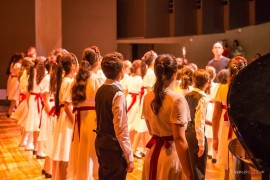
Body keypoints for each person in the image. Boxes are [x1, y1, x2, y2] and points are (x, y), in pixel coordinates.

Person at [142, 54, 192, 180]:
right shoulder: (177, 100)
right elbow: (179, 139)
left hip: (151, 154)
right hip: (171, 157)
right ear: (175, 73)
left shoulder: (147, 97)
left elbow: (150, 130)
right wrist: (189, 173)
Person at [95, 52, 134, 180]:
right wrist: (129, 156)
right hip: (113, 148)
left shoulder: (100, 89)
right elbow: (121, 128)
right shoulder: (118, 94)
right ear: (120, 71)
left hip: (101, 142)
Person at [67, 46, 102, 179]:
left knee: (81, 151)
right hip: (93, 120)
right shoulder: (96, 80)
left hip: (80, 119)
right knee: (92, 153)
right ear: (97, 61)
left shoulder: (77, 79)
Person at [212, 56, 247, 180]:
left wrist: (215, 137)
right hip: (242, 127)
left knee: (227, 163)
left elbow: (215, 116)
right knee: (242, 163)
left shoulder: (221, 88)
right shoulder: (246, 89)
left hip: (225, 128)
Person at [52, 53, 78, 180]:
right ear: (73, 66)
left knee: (64, 153)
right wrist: (75, 123)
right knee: (65, 154)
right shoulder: (69, 82)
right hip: (68, 119)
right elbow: (68, 106)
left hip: (64, 117)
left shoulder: (64, 80)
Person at [185, 69, 210, 180]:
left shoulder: (187, 94)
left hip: (186, 133)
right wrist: (201, 144)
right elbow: (199, 123)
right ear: (207, 82)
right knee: (198, 170)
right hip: (196, 135)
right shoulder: (202, 98)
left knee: (190, 168)